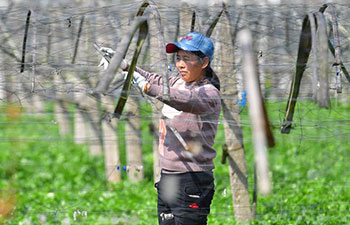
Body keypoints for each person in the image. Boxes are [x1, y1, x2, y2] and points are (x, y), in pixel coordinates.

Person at [123, 32, 221, 225]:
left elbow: (183, 99)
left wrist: (147, 87)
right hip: (168, 177)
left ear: (204, 62)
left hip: (191, 180)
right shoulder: (177, 82)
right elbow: (156, 80)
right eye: (178, 58)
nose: (180, 64)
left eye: (187, 59)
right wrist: (126, 66)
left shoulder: (208, 93)